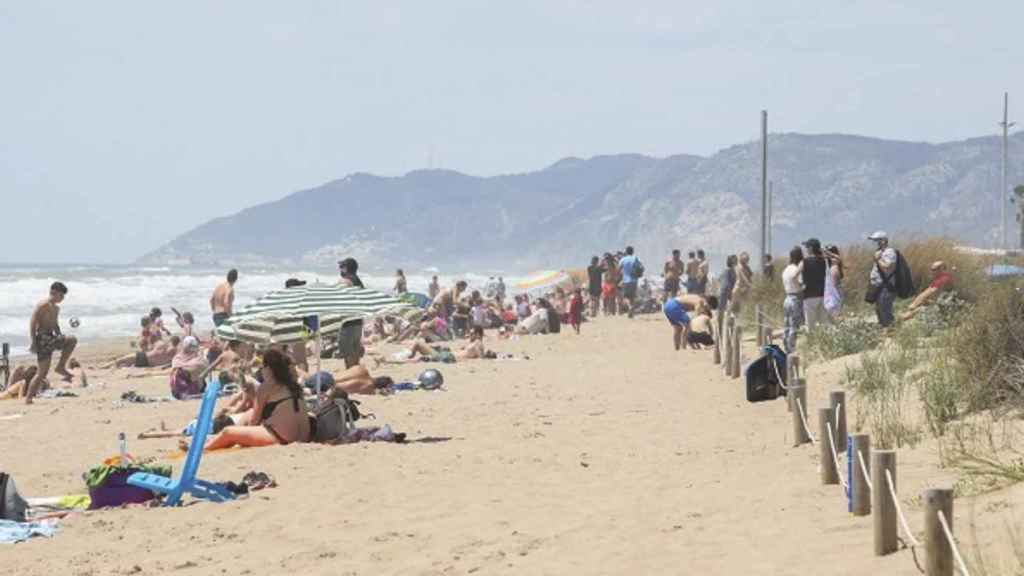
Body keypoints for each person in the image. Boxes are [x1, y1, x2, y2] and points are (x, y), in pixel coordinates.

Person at [189, 349, 310, 451]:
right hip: (304, 436)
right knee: (248, 414)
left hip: (282, 438)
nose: (262, 370)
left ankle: (202, 449)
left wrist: (242, 435)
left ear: (269, 368)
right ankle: (215, 439)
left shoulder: (267, 386)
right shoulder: (293, 384)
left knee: (228, 432)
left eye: (263, 366)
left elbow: (254, 421)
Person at [25, 282, 77, 404]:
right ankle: (28, 398)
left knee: (71, 340)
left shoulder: (56, 308)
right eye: (61, 295)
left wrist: (59, 333)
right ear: (54, 292)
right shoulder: (43, 305)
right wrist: (33, 342)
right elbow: (32, 323)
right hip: (42, 340)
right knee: (42, 373)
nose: (63, 298)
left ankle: (60, 366)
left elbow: (55, 324)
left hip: (51, 338)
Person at [336, 258, 366, 368]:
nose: (339, 269)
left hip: (348, 321)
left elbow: (339, 301)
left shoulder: (345, 281)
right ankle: (357, 373)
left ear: (346, 268)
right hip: (358, 320)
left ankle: (353, 373)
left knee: (348, 352)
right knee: (355, 349)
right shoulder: (359, 282)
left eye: (341, 267)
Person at [867, 231, 898, 327]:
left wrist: (877, 259)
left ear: (884, 241)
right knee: (879, 308)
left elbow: (888, 267)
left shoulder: (889, 252)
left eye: (878, 240)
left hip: (885, 286)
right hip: (879, 286)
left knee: (885, 309)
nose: (876, 243)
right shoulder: (880, 252)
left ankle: (891, 331)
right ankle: (885, 329)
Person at [801, 238, 830, 330]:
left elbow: (800, 278)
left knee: (810, 325)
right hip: (822, 294)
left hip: (809, 295)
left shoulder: (805, 261)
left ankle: (811, 343)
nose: (805, 249)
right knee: (824, 323)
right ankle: (825, 342)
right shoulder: (823, 261)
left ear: (811, 248)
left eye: (807, 247)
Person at [781, 246, 805, 353]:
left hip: (787, 298)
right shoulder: (796, 269)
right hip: (796, 297)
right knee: (794, 324)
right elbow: (799, 282)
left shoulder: (786, 270)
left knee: (787, 323)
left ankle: (786, 343)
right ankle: (791, 348)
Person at [619, 246, 641, 319]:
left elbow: (619, 269)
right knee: (632, 297)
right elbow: (640, 267)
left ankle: (630, 307)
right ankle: (631, 313)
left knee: (626, 297)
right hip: (634, 280)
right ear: (632, 252)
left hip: (626, 280)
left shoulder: (623, 259)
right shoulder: (635, 259)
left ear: (626, 252)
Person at [823, 245, 845, 319]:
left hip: (835, 293)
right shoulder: (829, 266)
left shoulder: (835, 265)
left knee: (835, 312)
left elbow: (838, 258)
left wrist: (829, 253)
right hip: (830, 292)